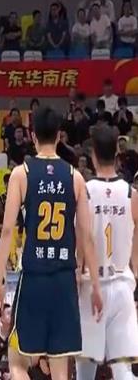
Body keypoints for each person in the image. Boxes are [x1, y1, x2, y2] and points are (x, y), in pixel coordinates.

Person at [0, 106, 103, 380]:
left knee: (17, 363)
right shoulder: (76, 177)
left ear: (32, 136)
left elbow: (7, 231)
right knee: (60, 371)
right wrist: (95, 285)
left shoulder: (21, 173)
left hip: (34, 279)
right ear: (59, 135)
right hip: (63, 281)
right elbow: (86, 236)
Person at [76, 126, 138, 380]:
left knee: (85, 372)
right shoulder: (132, 193)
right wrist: (135, 272)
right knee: (123, 371)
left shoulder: (85, 191)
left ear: (92, 155)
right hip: (122, 283)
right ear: (116, 154)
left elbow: (83, 239)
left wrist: (79, 271)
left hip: (92, 285)